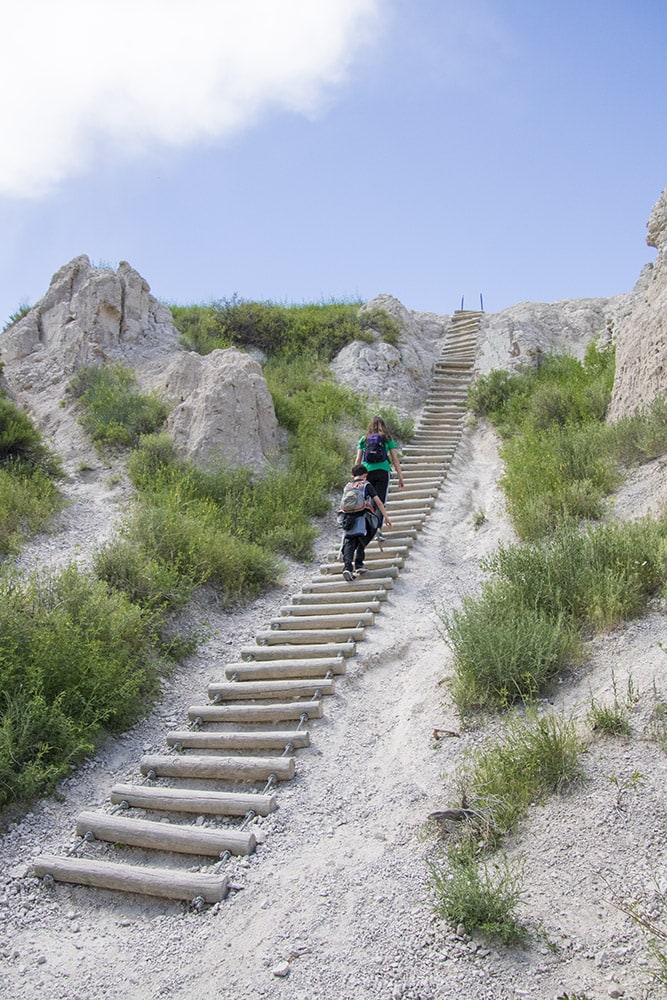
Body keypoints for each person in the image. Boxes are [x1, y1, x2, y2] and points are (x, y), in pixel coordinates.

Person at [340, 464, 392, 581]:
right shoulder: (366, 484)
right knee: (367, 533)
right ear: (365, 475)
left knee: (349, 541)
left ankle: (347, 568)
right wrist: (386, 517)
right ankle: (359, 564)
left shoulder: (347, 486)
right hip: (361, 517)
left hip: (347, 518)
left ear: (352, 475)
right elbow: (378, 502)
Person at [355, 416, 404, 536]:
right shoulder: (387, 439)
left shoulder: (364, 439)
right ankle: (377, 529)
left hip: (367, 472)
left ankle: (367, 528)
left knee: (369, 500)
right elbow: (395, 460)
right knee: (380, 500)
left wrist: (355, 477)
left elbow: (358, 460)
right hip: (383, 471)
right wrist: (400, 477)